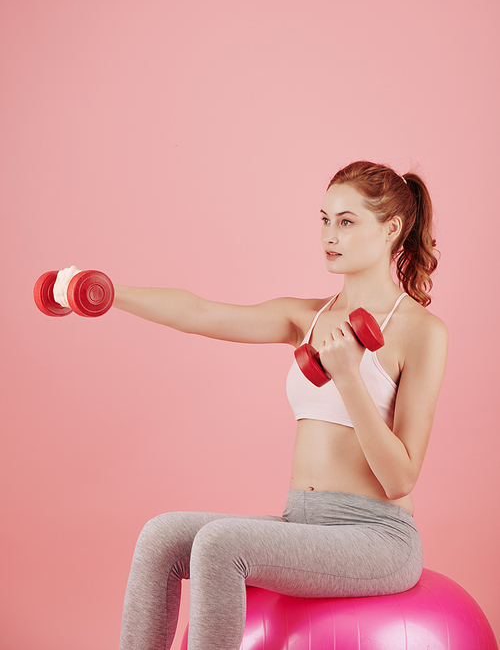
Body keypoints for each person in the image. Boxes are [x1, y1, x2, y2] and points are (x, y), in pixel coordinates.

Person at [55, 160, 448, 650]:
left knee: (221, 546)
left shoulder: (421, 333)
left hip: (378, 536)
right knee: (162, 537)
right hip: (302, 521)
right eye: (324, 219)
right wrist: (107, 293)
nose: (330, 234)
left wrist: (348, 376)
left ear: (392, 228)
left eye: (346, 222)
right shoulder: (305, 316)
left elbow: (400, 478)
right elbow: (200, 313)